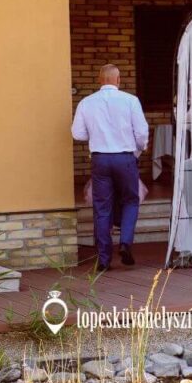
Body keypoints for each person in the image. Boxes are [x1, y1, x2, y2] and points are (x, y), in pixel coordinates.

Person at [71, 64, 149, 271]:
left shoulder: (86, 102)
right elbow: (141, 132)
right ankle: (125, 242)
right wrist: (138, 149)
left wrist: (96, 135)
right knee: (130, 200)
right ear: (118, 80)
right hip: (125, 158)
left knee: (102, 207)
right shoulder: (130, 100)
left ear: (99, 80)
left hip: (100, 159)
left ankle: (104, 259)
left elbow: (77, 134)